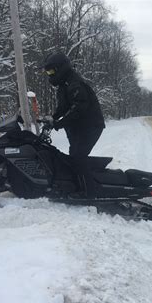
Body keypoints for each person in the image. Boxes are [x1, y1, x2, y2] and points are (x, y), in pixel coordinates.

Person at [43, 51, 105, 199]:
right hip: (79, 127)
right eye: (48, 71)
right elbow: (64, 107)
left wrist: (59, 123)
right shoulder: (64, 84)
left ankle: (89, 193)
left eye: (51, 71)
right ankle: (76, 184)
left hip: (90, 126)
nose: (50, 74)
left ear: (60, 68)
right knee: (73, 157)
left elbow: (79, 108)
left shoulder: (74, 83)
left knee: (79, 157)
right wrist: (52, 118)